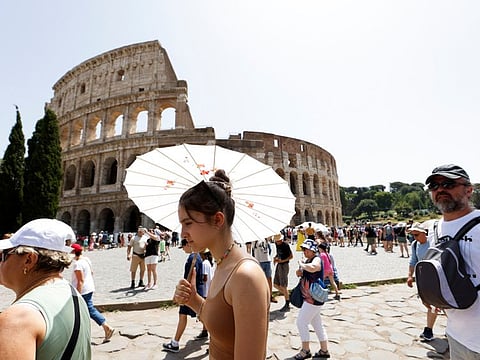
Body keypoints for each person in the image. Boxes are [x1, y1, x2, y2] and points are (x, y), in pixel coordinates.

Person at [172, 169, 270, 359]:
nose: (182, 233)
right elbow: (222, 324)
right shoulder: (222, 263)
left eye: (188, 223)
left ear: (217, 219)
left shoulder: (245, 277)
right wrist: (193, 300)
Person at [0, 218, 91, 358]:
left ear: (29, 260)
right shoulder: (73, 294)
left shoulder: (18, 318)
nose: (1, 261)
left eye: (4, 255)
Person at [422, 164, 480, 358]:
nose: (440, 190)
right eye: (434, 186)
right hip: (456, 334)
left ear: (469, 190)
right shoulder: (435, 229)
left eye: (448, 184)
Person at [163, 238, 204, 352]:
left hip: (189, 292)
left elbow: (192, 276)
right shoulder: (197, 256)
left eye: (183, 247)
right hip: (193, 291)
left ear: (188, 245)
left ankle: (175, 343)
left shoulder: (193, 258)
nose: (183, 250)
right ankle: (208, 333)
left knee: (191, 315)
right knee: (201, 315)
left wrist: (184, 293)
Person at [293, 239, 330, 359]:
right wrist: (299, 270)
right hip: (309, 297)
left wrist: (302, 264)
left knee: (301, 322)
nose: (304, 251)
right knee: (317, 324)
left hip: (313, 298)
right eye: (303, 249)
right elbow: (300, 273)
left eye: (306, 249)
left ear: (312, 250)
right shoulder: (307, 260)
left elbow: (314, 268)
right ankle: (324, 350)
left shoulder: (317, 259)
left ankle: (305, 350)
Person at [71, 243, 115, 343]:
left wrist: (78, 294)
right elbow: (91, 273)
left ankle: (106, 327)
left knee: (88, 310)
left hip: (83, 290)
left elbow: (80, 280)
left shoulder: (78, 264)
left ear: (74, 252)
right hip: (89, 288)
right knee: (86, 310)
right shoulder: (86, 259)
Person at [406, 222, 438, 342]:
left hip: (435, 279)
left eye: (417, 234)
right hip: (422, 279)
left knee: (434, 305)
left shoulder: (433, 243)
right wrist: (410, 275)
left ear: (424, 233)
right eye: (413, 235)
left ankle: (428, 331)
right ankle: (452, 327)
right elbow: (413, 260)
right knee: (428, 303)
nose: (415, 237)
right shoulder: (415, 245)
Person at [246, 238, 275, 302]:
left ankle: (270, 295)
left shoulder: (265, 238)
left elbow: (269, 250)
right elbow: (248, 249)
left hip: (267, 260)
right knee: (260, 280)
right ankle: (260, 295)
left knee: (269, 279)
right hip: (259, 261)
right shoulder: (254, 240)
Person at [273, 233, 293, 312]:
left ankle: (287, 304)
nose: (277, 242)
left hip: (284, 265)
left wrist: (282, 260)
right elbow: (278, 253)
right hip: (279, 265)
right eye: (276, 241)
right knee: (275, 284)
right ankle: (288, 295)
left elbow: (291, 256)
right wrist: (275, 257)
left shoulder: (285, 245)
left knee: (283, 285)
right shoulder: (276, 244)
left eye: (278, 241)